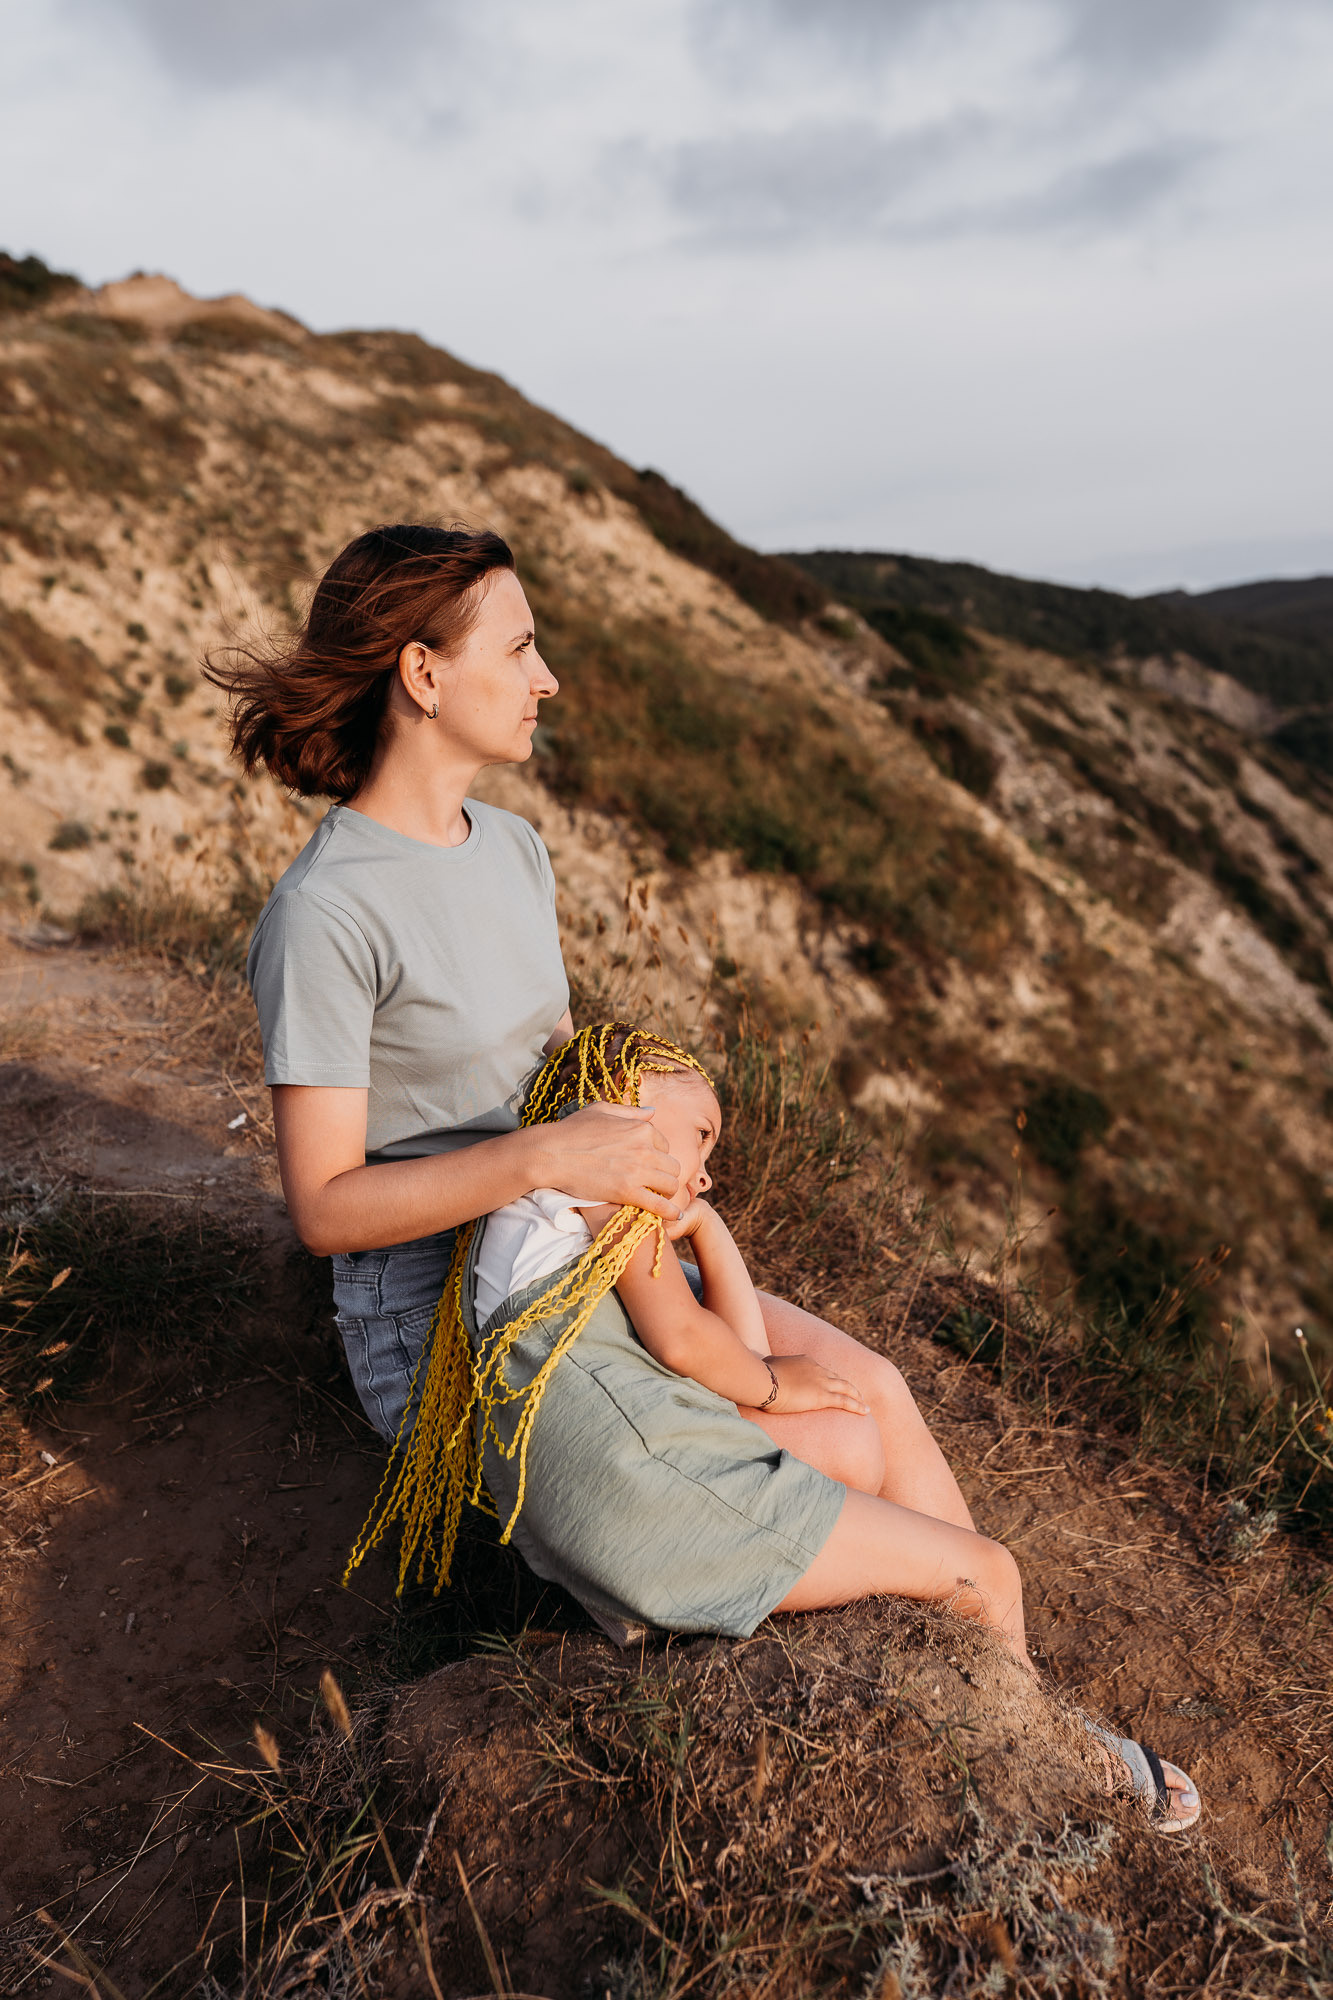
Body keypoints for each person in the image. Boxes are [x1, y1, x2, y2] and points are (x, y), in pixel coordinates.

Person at [212, 521, 1200, 1833]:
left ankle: (1011, 1713)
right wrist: (555, 1157)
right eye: (520, 646)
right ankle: (1003, 1726)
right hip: (458, 1322)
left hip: (579, 1243)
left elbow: (557, 1068)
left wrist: (653, 1176)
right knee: (833, 1441)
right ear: (423, 673)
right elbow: (326, 1208)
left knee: (878, 1398)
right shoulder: (325, 912)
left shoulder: (510, 849)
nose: (548, 676)